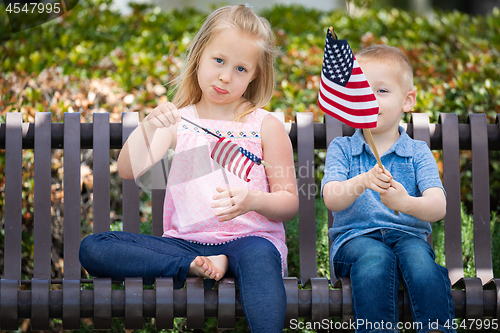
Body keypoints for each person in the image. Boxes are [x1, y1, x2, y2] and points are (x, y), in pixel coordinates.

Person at [79, 5, 298, 332]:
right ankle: (192, 267)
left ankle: (223, 267)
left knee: (260, 260)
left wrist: (253, 200)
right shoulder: (180, 120)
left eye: (241, 69)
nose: (225, 76)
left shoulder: (265, 125)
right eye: (219, 61)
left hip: (250, 240)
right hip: (186, 244)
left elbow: (289, 201)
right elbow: (128, 169)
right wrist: (150, 126)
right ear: (199, 56)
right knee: (93, 248)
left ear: (255, 74)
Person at [321, 45, 455, 333]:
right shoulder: (343, 149)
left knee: (421, 262)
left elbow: (438, 206)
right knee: (376, 258)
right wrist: (361, 182)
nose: (370, 99)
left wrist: (405, 202)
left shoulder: (418, 152)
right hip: (355, 241)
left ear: (408, 100)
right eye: (362, 92)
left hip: (408, 238)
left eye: (381, 91)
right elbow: (331, 198)